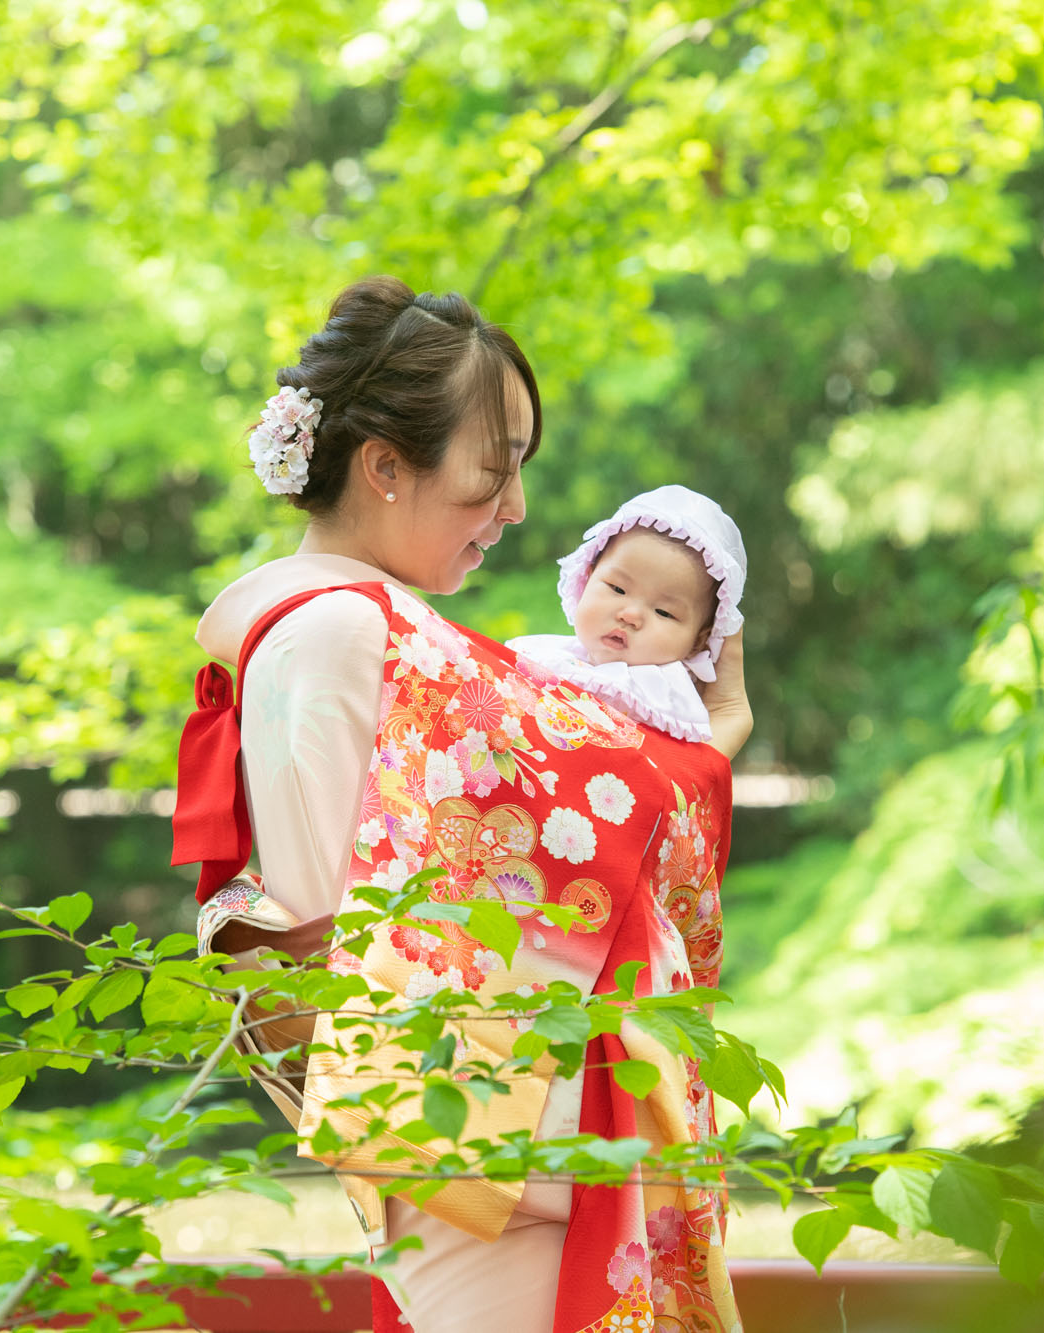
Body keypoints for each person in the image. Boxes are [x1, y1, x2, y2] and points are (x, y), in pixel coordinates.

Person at [170, 276, 750, 1333]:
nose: (516, 509)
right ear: (384, 467)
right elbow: (303, 939)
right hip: (494, 1157)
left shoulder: (396, 633)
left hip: (508, 1142)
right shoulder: (340, 633)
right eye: (494, 469)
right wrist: (440, 1152)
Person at [506, 484, 748, 758]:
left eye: (664, 612)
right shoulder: (548, 656)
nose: (630, 616)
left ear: (699, 641)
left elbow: (684, 776)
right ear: (586, 578)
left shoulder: (671, 701)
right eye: (617, 589)